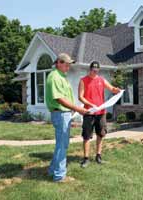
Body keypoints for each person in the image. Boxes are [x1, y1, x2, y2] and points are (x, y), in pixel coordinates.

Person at [45, 53, 88, 182]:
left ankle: (53, 170)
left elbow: (65, 98)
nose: (68, 67)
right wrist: (77, 109)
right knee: (62, 145)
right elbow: (59, 98)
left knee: (61, 145)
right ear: (58, 62)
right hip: (60, 114)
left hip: (64, 114)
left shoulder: (61, 76)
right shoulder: (55, 77)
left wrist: (74, 110)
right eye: (66, 64)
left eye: (69, 64)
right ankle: (59, 176)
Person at [78, 61, 121, 168]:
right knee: (87, 136)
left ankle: (98, 156)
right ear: (90, 69)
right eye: (93, 70)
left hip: (101, 113)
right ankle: (86, 159)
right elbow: (80, 97)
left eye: (96, 70)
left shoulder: (101, 80)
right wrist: (90, 104)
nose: (95, 72)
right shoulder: (83, 80)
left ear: (98, 70)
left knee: (101, 134)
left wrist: (117, 90)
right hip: (89, 112)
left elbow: (112, 89)